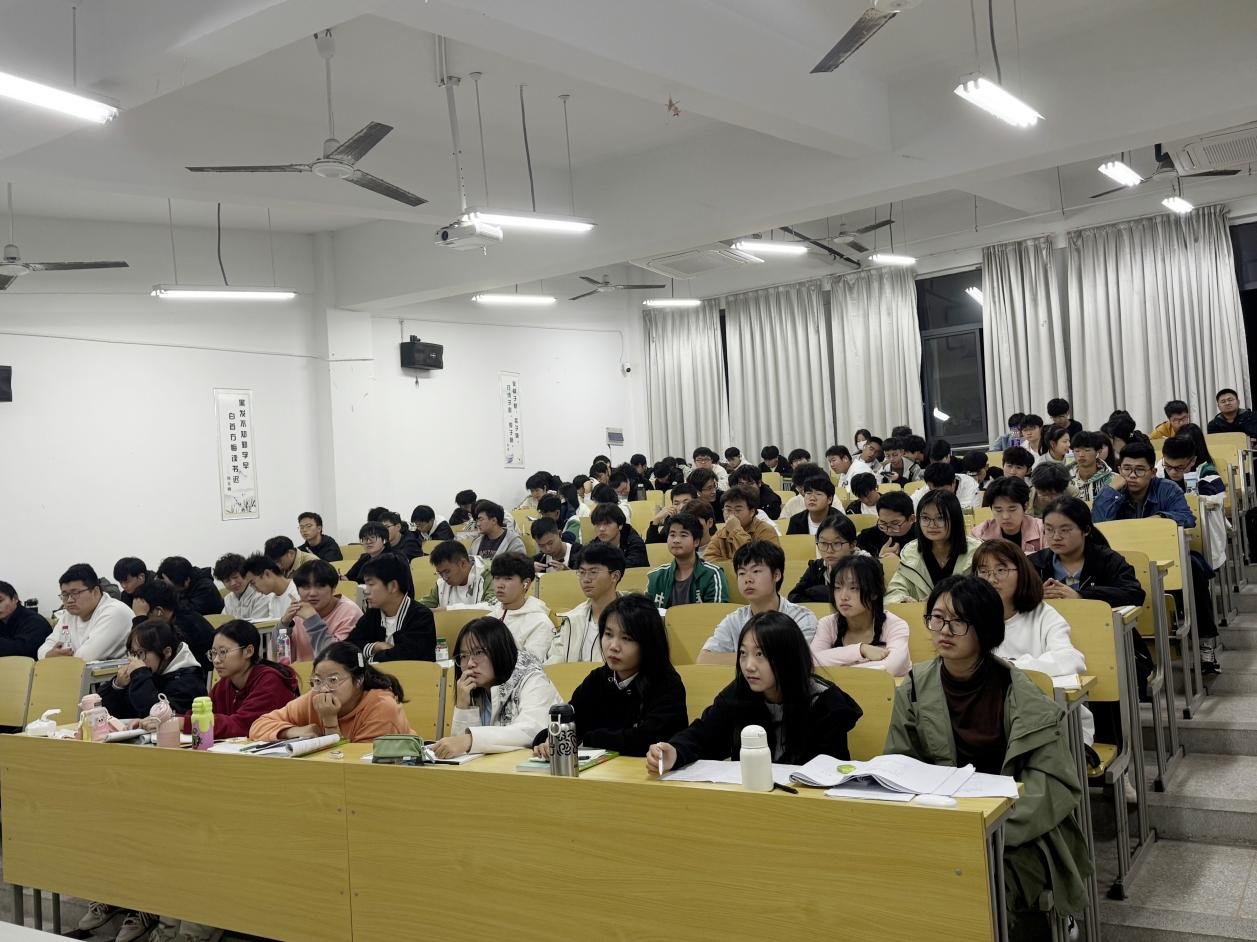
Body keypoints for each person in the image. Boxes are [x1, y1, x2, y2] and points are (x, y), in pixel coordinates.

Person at [885, 576, 1090, 936]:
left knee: (976, 891)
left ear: (985, 628)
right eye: (937, 618)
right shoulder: (914, 687)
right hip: (942, 828)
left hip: (1014, 837)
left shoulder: (1022, 695)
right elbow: (899, 766)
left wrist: (987, 829)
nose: (944, 630)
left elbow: (1053, 785)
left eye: (959, 621)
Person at [648, 611, 862, 774]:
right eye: (743, 653)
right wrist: (674, 752)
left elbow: (829, 771)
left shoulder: (824, 702)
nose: (749, 665)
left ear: (788, 657)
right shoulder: (738, 693)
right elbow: (703, 735)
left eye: (760, 654)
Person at [533, 595, 688, 758]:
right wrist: (548, 740)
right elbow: (568, 723)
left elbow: (649, 740)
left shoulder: (666, 683)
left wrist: (588, 738)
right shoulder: (598, 679)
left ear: (648, 643)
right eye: (608, 634)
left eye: (626, 638)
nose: (613, 646)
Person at [972, 541, 1093, 743]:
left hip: (1053, 724)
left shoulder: (1043, 615)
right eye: (983, 572)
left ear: (1021, 573)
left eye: (1001, 570)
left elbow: (1071, 659)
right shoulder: (971, 619)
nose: (991, 579)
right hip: (992, 724)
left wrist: (1012, 667)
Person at [434, 617, 561, 757]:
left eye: (478, 653)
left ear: (500, 651)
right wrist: (463, 706)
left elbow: (531, 730)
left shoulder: (533, 679)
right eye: (464, 655)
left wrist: (471, 739)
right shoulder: (474, 687)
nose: (470, 663)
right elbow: (460, 751)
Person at [250, 641, 410, 741]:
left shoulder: (382, 707)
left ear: (358, 680)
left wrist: (330, 722)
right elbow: (258, 726)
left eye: (333, 680)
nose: (324, 689)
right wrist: (292, 731)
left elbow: (355, 767)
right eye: (318, 681)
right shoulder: (314, 698)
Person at [698, 541, 817, 665]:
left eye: (756, 571)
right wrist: (761, 657)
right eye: (742, 573)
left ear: (776, 575)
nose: (748, 579)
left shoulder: (801, 617)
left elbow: (796, 660)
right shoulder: (734, 620)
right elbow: (704, 659)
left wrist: (744, 657)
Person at [186, 619, 300, 738]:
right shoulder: (225, 683)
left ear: (248, 651)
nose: (216, 660)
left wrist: (185, 723)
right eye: (213, 653)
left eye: (223, 652)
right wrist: (177, 720)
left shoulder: (270, 681)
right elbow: (201, 714)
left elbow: (242, 726)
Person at [811, 555, 910, 675]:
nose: (843, 597)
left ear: (874, 593)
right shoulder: (828, 624)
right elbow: (812, 661)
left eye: (854, 588)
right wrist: (860, 650)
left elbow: (892, 666)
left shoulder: (895, 625)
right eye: (837, 587)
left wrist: (836, 669)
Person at [885, 490, 981, 603]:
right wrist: (903, 601)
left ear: (955, 519)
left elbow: (988, 593)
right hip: (921, 614)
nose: (931, 525)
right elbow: (894, 591)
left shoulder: (977, 552)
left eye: (940, 518)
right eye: (925, 518)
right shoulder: (911, 553)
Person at [99, 620, 206, 719]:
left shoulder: (189, 682)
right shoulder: (147, 670)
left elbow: (155, 716)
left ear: (166, 652)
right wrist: (117, 686)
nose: (135, 660)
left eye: (140, 653)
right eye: (132, 653)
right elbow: (101, 712)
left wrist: (140, 675)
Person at [345, 554, 436, 663]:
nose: (366, 591)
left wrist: (366, 661)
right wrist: (375, 647)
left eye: (371, 584)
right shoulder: (373, 613)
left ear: (393, 586)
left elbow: (405, 657)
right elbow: (348, 647)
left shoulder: (421, 616)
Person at [548, 542, 626, 663]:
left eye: (593, 572)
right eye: (582, 572)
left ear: (615, 576)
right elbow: (553, 663)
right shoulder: (572, 619)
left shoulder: (634, 618)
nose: (586, 579)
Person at [39, 563, 132, 660]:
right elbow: (43, 649)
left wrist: (56, 659)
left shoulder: (115, 612)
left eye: (75, 593)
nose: (69, 600)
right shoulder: (69, 615)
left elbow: (86, 658)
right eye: (65, 595)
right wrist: (49, 655)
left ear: (95, 592)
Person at [1092, 441, 1195, 529]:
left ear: (1153, 472)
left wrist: (1161, 518)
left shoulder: (1168, 489)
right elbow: (1098, 525)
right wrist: (1111, 490)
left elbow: (1188, 519)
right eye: (1127, 469)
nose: (1132, 475)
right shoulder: (1112, 491)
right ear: (1119, 470)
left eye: (1139, 470)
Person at [646, 513, 730, 609]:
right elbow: (645, 613)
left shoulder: (712, 574)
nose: (676, 540)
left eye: (683, 535)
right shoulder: (656, 576)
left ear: (696, 541)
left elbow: (716, 612)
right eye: (672, 535)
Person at [130, 579, 215, 672]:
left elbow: (142, 654)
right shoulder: (177, 615)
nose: (145, 624)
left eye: (146, 617)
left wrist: (140, 618)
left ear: (159, 611)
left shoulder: (184, 626)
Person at [286, 560, 363, 662]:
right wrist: (284, 625)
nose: (312, 593)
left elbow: (336, 659)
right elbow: (279, 658)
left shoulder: (350, 612)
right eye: (306, 587)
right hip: (301, 671)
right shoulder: (298, 612)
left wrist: (312, 620)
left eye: (320, 586)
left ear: (333, 588)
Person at [485, 553, 552, 662]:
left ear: (526, 583)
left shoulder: (540, 623)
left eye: (508, 578)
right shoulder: (489, 618)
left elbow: (530, 665)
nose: (500, 585)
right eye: (497, 578)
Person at [787, 514, 864, 604]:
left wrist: (819, 592)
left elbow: (864, 599)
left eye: (836, 543)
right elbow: (794, 597)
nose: (829, 550)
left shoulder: (866, 567)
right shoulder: (817, 567)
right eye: (823, 543)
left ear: (852, 545)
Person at [703, 484, 780, 562]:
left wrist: (736, 531)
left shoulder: (765, 530)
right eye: (728, 510)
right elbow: (707, 559)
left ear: (752, 512)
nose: (732, 515)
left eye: (738, 510)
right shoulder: (721, 533)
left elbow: (762, 561)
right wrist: (733, 564)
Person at [970, 476, 1044, 552]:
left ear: (1026, 506)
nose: (1005, 517)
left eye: (1012, 509)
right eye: (998, 510)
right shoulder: (980, 533)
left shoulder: (1042, 529)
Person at [419, 540, 495, 609]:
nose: (444, 578)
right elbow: (423, 605)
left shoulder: (490, 573)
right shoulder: (442, 581)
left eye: (447, 572)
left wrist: (446, 611)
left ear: (463, 564)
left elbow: (493, 606)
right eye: (440, 573)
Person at [855, 490, 918, 558]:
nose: (889, 530)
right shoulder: (869, 536)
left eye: (895, 523)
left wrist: (898, 561)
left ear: (911, 519)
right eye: (883, 522)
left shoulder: (922, 537)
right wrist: (880, 559)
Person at [1164, 427, 1225, 497]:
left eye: (1179, 467)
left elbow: (1216, 497)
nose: (1173, 472)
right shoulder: (1165, 464)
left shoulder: (1206, 470)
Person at [243, 554, 302, 622]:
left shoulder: (298, 591)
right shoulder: (272, 599)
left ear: (267, 574)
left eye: (253, 583)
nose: (254, 589)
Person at [156, 556, 224, 616]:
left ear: (187, 581)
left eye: (172, 587)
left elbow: (187, 613)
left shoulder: (205, 588)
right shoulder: (181, 582)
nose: (169, 588)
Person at [0, 581, 51, 659]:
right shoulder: (3, 619)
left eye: (0, 601)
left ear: (15, 598)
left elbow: (22, 652)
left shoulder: (35, 622)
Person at [214, 552, 271, 620]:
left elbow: (258, 623)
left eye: (235, 577)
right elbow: (223, 622)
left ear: (245, 574)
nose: (233, 583)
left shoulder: (260, 595)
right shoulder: (228, 599)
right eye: (227, 580)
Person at [589, 503, 649, 568]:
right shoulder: (595, 545)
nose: (601, 529)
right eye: (597, 524)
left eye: (607, 524)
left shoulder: (635, 543)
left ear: (620, 525)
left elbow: (632, 567)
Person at [911, 461, 980, 511]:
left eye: (943, 491)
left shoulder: (969, 485)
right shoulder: (928, 487)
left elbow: (968, 513)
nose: (939, 495)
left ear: (953, 482)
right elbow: (912, 503)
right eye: (934, 491)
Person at [1069, 431, 1115, 502]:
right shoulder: (1065, 478)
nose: (1081, 455)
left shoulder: (1112, 479)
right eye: (1077, 451)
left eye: (1087, 450)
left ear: (1098, 451)